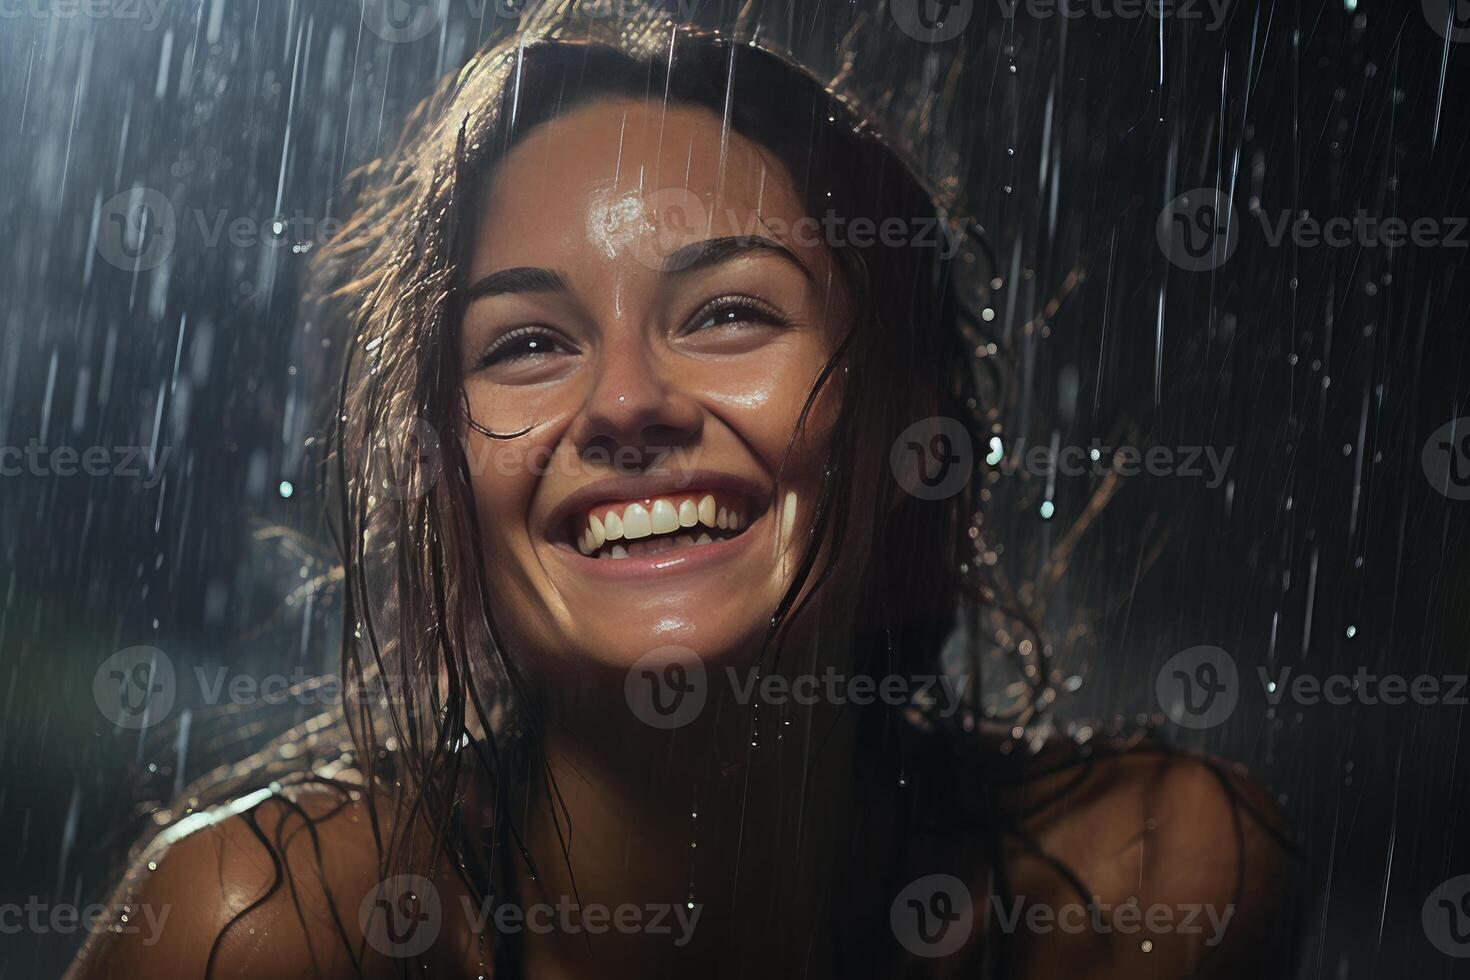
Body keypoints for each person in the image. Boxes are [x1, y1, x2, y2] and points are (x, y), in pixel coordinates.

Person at [66, 10, 1303, 979]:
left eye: (727, 313)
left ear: (899, 413)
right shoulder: (253, 935)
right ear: (445, 478)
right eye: (527, 345)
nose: (624, 404)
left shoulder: (1153, 889)